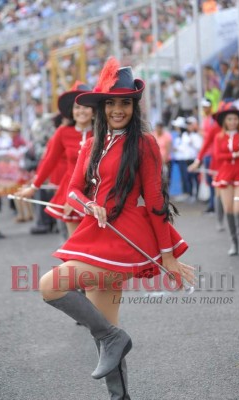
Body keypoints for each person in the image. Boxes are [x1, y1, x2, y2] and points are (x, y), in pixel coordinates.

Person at [38, 57, 195, 399]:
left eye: (125, 102)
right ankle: (119, 393)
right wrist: (88, 205)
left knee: (50, 285)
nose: (118, 109)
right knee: (106, 330)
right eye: (112, 103)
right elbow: (73, 192)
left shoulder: (145, 144)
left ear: (133, 106)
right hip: (95, 233)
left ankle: (112, 339)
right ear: (103, 107)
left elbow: (155, 201)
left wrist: (167, 255)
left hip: (123, 238)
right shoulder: (91, 144)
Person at [15, 81, 94, 238]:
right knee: (75, 244)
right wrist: (34, 186)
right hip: (72, 192)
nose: (81, 111)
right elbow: (49, 160)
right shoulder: (63, 132)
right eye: (77, 107)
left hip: (98, 193)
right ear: (71, 111)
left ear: (94, 109)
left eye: (85, 106)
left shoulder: (103, 131)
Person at [211, 106, 239, 256]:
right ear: (225, 121)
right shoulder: (219, 137)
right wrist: (236, 154)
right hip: (225, 176)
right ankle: (234, 242)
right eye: (230, 119)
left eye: (235, 119)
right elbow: (217, 156)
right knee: (229, 210)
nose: (232, 122)